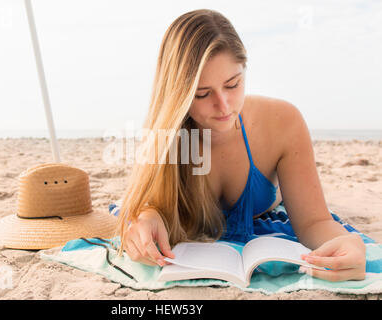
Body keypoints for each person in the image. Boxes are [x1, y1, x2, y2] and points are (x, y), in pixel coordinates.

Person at [114, 9, 366, 282]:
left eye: (232, 85)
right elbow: (152, 203)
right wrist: (149, 217)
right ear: (178, 93)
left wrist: (351, 244)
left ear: (244, 71)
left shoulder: (282, 122)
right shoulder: (167, 136)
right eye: (202, 93)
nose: (223, 106)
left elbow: (314, 222)